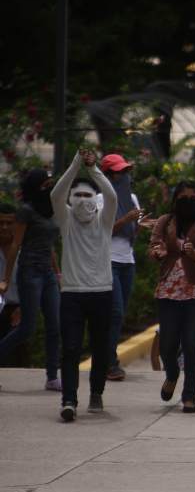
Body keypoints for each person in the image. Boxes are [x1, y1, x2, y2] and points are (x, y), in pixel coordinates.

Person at [50, 150, 118, 421]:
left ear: (96, 201)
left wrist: (94, 169)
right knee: (71, 348)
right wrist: (77, 162)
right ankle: (69, 400)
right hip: (72, 294)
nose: (81, 200)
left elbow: (111, 196)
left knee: (101, 347)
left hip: (102, 292)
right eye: (76, 195)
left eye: (87, 195)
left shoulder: (104, 220)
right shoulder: (66, 221)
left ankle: (96, 392)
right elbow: (56, 193)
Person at [148, 181, 195, 413]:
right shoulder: (164, 221)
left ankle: (190, 395)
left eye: (193, 197)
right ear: (175, 200)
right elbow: (154, 246)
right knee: (168, 343)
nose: (188, 202)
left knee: (191, 341)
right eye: (183, 198)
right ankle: (172, 373)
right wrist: (158, 253)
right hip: (169, 291)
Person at [0, 168, 62, 390]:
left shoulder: (50, 210)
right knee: (27, 327)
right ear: (36, 186)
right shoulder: (26, 210)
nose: (49, 188)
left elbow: (50, 245)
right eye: (46, 184)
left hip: (47, 274)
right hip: (30, 272)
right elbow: (16, 244)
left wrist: (58, 273)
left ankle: (52, 376)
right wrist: (6, 279)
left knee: (55, 324)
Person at [100, 153, 145, 382]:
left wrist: (142, 225)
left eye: (126, 171)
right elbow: (101, 232)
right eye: (119, 172)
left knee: (119, 313)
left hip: (128, 261)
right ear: (107, 175)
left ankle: (106, 357)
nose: (125, 176)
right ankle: (109, 362)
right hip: (109, 261)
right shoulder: (101, 200)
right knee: (115, 312)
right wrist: (126, 220)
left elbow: (133, 232)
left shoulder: (132, 198)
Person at [0, 204, 22, 368]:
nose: (4, 227)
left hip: (19, 310)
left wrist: (23, 308)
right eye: (0, 223)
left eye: (9, 222)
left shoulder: (26, 251)